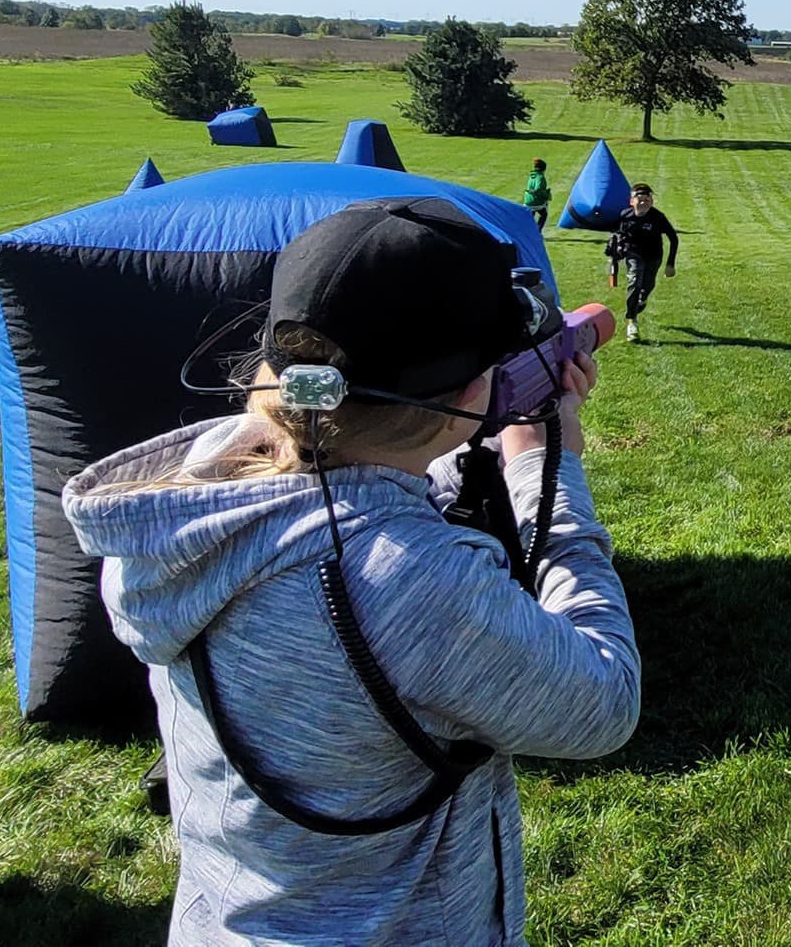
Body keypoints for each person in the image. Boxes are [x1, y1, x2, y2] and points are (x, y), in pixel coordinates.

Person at [61, 199, 637, 946]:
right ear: (471, 392)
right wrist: (541, 467)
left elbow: (361, 473)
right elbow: (606, 698)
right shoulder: (415, 583)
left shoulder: (197, 498)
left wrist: (449, 451)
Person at [604, 183, 679, 343]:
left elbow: (673, 237)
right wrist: (615, 248)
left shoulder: (658, 218)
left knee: (647, 285)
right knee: (634, 282)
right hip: (634, 255)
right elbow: (619, 233)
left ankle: (642, 299)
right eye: (640, 199)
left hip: (654, 256)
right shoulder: (625, 215)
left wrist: (670, 264)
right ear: (631, 201)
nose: (644, 202)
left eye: (647, 199)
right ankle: (632, 322)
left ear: (651, 202)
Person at [520, 159, 550, 236]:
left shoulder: (531, 176)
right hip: (536, 201)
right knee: (544, 214)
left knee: (531, 215)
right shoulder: (540, 177)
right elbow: (539, 189)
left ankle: (527, 232)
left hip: (528, 200)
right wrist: (547, 195)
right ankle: (537, 231)